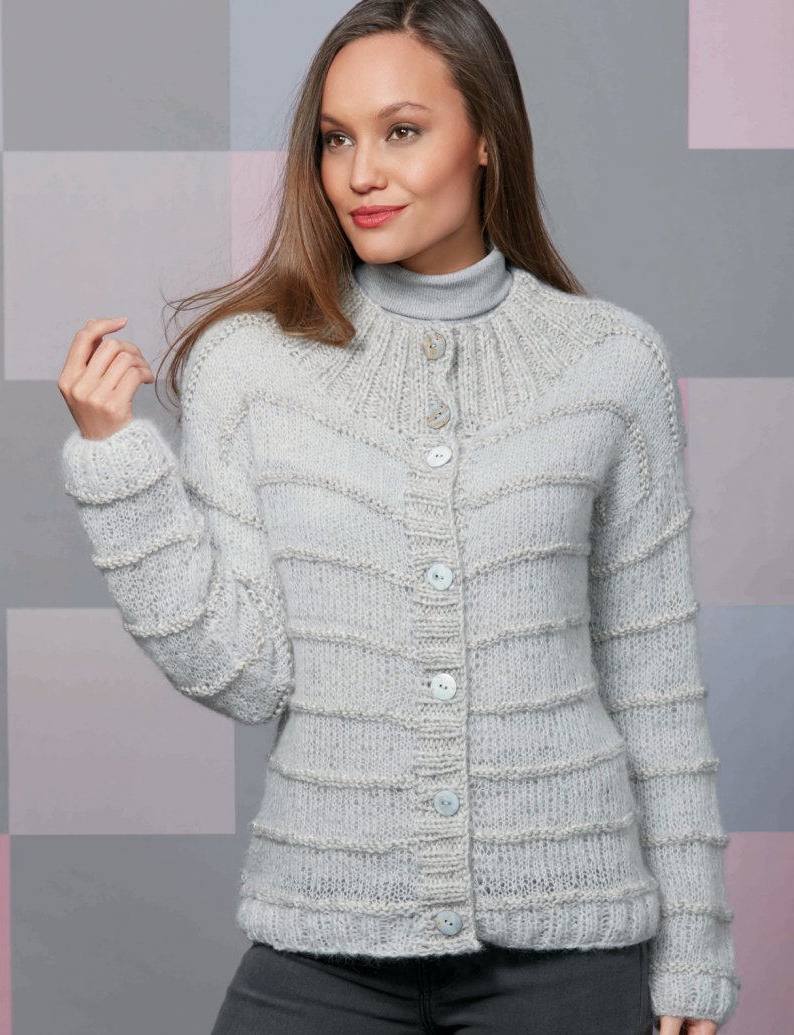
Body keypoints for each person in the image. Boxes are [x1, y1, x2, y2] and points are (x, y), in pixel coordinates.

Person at [56, 1, 740, 1033]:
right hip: (324, 935)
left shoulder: (610, 364)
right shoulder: (252, 368)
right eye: (336, 140)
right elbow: (245, 672)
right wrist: (118, 466)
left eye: (402, 131)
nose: (359, 174)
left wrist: (693, 953)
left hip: (569, 946)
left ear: (485, 140)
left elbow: (653, 683)